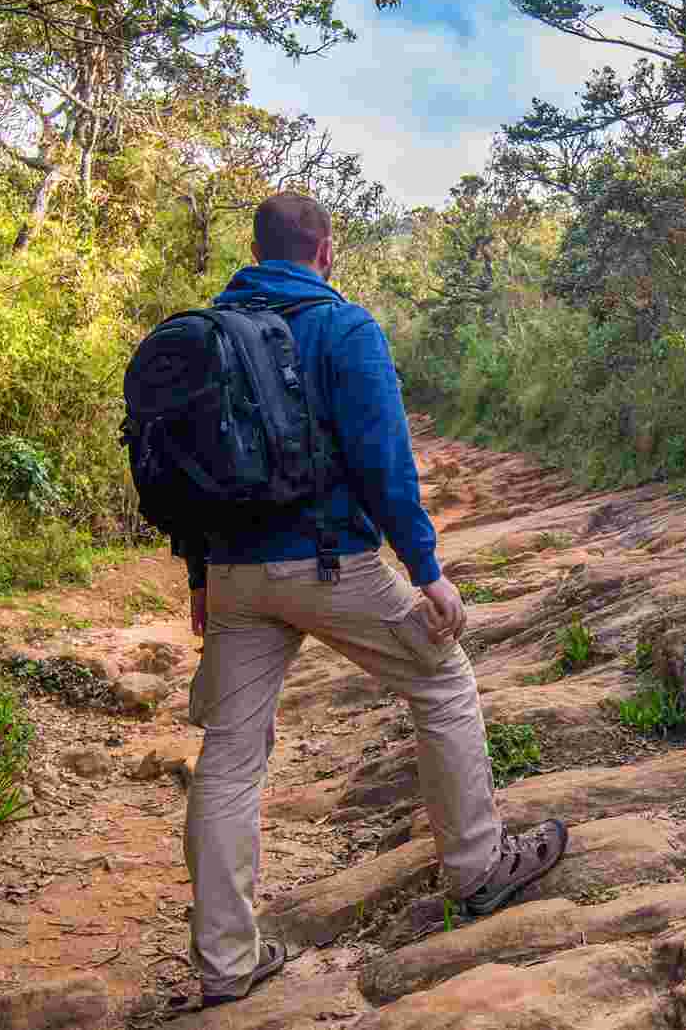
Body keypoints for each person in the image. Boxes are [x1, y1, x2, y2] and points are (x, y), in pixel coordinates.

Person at [173, 191, 569, 1008]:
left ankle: (225, 964)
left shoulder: (207, 337)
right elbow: (384, 461)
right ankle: (477, 866)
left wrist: (200, 579)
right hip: (328, 563)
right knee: (443, 677)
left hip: (235, 574)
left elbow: (177, 471)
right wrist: (427, 569)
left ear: (258, 249)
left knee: (230, 758)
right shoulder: (344, 327)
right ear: (323, 249)